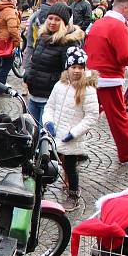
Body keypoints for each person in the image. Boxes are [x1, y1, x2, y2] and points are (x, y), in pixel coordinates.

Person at [83, 0, 128, 163]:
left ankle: (68, 142)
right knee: (118, 115)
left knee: (85, 112)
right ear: (125, 7)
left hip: (92, 74)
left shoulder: (99, 22)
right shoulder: (119, 26)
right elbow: (125, 58)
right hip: (109, 78)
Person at [42, 47, 98, 210]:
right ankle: (42, 188)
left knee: (70, 167)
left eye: (80, 67)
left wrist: (73, 133)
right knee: (48, 161)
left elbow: (91, 116)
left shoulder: (88, 90)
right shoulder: (60, 85)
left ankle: (73, 194)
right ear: (68, 67)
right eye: (74, 67)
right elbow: (50, 106)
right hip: (55, 134)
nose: (77, 70)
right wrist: (48, 122)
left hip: (72, 137)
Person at [24, 4, 84, 123]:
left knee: (45, 136)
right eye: (50, 18)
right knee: (31, 134)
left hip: (50, 99)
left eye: (57, 19)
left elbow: (70, 75)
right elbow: (33, 60)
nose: (52, 22)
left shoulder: (69, 43)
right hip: (34, 95)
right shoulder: (43, 37)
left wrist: (53, 82)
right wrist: (28, 75)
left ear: (64, 23)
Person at [0, 0, 21, 94]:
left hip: (1, 39)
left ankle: (0, 87)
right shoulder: (10, 10)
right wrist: (17, 42)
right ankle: (0, 89)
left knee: (3, 65)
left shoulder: (2, 8)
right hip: (8, 41)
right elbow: (12, 29)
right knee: (6, 66)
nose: (16, 2)